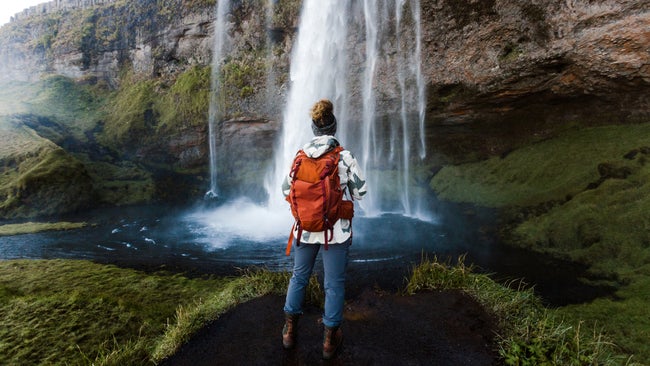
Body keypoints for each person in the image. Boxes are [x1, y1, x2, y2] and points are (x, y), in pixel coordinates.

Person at [281, 99, 367, 359]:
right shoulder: (344, 156)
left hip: (305, 229)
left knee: (299, 277)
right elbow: (361, 193)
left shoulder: (300, 156)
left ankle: (289, 331)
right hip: (335, 233)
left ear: (313, 128)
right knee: (333, 284)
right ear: (334, 126)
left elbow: (285, 190)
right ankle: (330, 341)